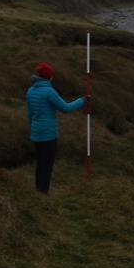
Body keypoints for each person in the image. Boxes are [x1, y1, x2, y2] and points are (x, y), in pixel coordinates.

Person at [25, 62, 88, 194]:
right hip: (48, 134)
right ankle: (43, 191)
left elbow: (30, 114)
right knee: (47, 164)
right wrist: (82, 101)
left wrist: (33, 128)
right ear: (49, 77)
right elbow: (65, 108)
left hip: (36, 132)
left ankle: (38, 189)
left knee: (40, 163)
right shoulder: (49, 92)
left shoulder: (30, 91)